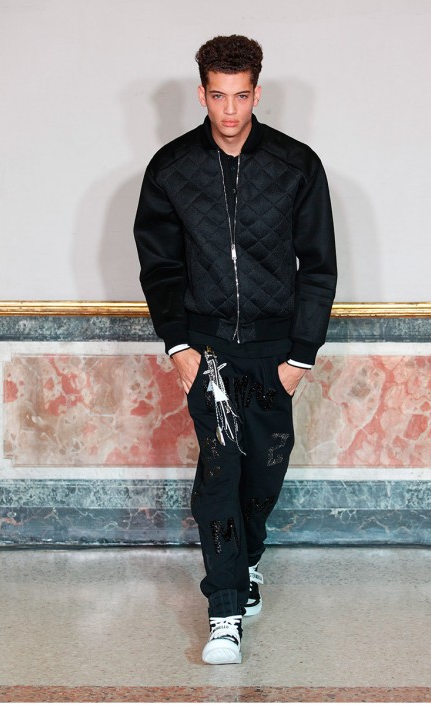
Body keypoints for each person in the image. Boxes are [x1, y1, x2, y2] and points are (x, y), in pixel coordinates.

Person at [134, 34, 337, 665]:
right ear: (202, 93)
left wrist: (300, 357)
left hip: (275, 351)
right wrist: (179, 347)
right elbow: (160, 267)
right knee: (220, 473)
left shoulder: (296, 165)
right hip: (209, 350)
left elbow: (318, 266)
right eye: (218, 96)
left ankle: (245, 560)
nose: (229, 110)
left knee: (264, 472)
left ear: (256, 92)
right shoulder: (171, 168)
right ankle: (224, 610)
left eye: (241, 96)